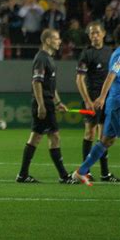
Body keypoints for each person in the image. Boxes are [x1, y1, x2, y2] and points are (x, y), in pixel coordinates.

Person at [16, 29, 76, 184]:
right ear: (48, 41)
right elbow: (36, 82)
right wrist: (41, 105)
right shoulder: (41, 58)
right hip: (43, 103)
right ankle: (63, 176)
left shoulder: (48, 58)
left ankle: (22, 175)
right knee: (54, 136)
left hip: (47, 102)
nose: (59, 41)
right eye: (56, 38)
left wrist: (58, 102)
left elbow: (50, 86)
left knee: (36, 137)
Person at [73, 25, 120, 186]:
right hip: (116, 103)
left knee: (106, 140)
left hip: (112, 103)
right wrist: (100, 97)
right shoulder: (119, 55)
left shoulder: (112, 52)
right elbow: (111, 75)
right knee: (94, 135)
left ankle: (81, 172)